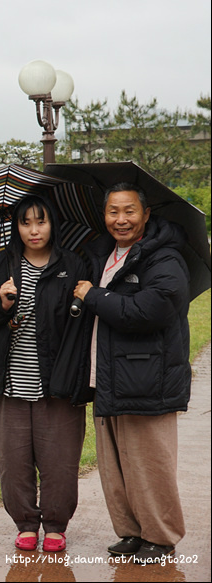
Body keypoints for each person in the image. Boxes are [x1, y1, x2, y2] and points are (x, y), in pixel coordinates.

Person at [72, 183, 190, 564]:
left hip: (146, 378)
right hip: (108, 375)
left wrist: (93, 295)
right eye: (112, 212)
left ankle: (161, 535)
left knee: (149, 464)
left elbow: (148, 311)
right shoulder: (103, 255)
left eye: (129, 211)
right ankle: (132, 531)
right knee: (115, 463)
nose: (120, 219)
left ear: (145, 214)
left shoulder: (165, 259)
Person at [0, 195, 88, 553]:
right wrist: (3, 303)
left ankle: (55, 525)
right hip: (10, 381)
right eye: (26, 223)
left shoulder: (72, 265)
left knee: (60, 460)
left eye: (41, 221)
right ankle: (25, 522)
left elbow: (82, 321)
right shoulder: (0, 265)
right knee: (14, 459)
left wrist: (81, 299)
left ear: (53, 224)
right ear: (17, 226)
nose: (34, 230)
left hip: (60, 380)